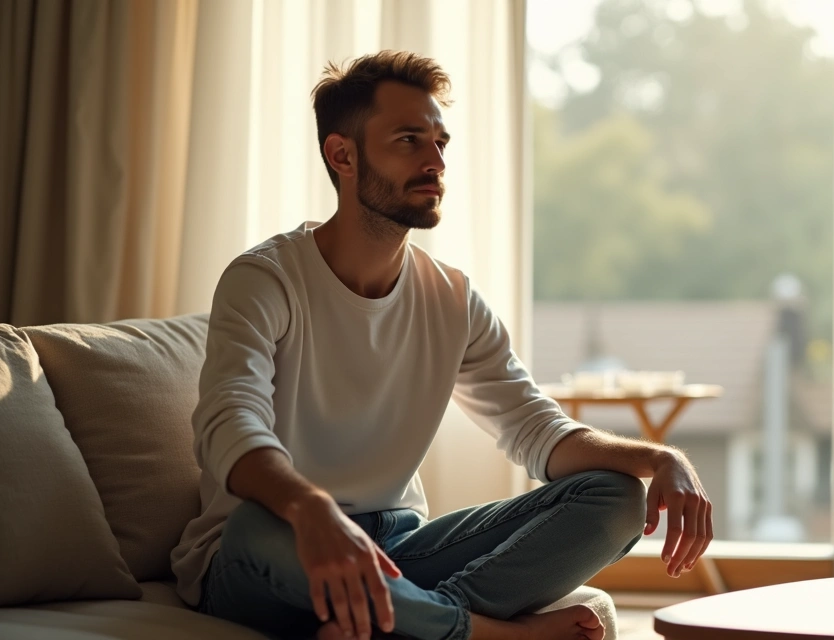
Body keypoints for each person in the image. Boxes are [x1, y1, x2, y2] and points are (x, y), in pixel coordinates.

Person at [169, 50, 713, 640]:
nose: (435, 161)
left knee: (616, 498)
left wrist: (662, 458)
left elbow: (540, 433)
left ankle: (406, 622)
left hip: (397, 546)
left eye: (440, 143)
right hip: (264, 552)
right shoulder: (265, 278)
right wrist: (311, 509)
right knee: (257, 528)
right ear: (342, 155)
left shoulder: (451, 297)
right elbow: (229, 426)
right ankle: (486, 633)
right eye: (409, 140)